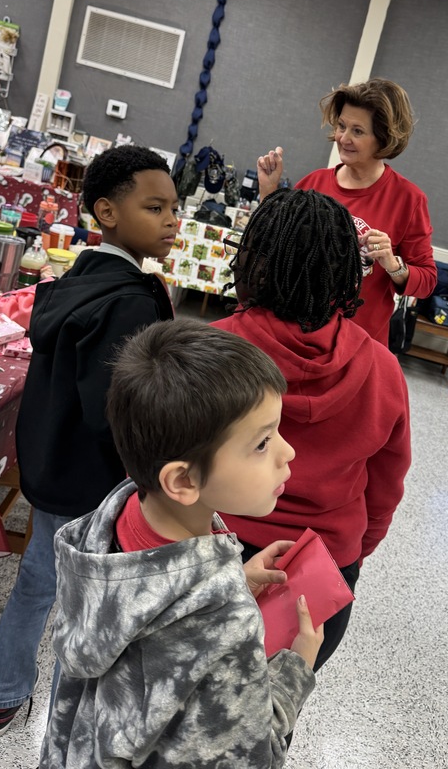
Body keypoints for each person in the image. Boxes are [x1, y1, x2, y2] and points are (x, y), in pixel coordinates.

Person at [40, 320, 320, 769]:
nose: (287, 453)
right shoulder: (227, 625)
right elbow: (247, 757)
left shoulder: (106, 528)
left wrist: (231, 577)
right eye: (263, 443)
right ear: (183, 480)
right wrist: (295, 670)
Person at [0, 145, 179, 738]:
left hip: (50, 468)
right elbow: (116, 411)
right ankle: (67, 715)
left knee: (36, 582)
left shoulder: (77, 280)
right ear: (107, 211)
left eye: (174, 207)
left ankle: (1, 691)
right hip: (98, 481)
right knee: (88, 604)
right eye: (155, 207)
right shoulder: (130, 302)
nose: (172, 220)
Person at [217, 188, 412, 669]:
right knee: (274, 710)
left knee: (183, 703)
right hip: (323, 564)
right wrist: (352, 556)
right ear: (348, 270)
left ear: (254, 260)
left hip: (212, 549)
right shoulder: (383, 370)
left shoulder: (211, 349)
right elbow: (387, 484)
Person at [257, 77, 437, 346]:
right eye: (341, 126)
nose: (343, 138)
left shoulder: (408, 200)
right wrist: (268, 193)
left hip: (358, 346)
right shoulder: (313, 183)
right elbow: (272, 249)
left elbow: (427, 281)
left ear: (383, 137)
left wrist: (392, 264)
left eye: (358, 131)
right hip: (298, 335)